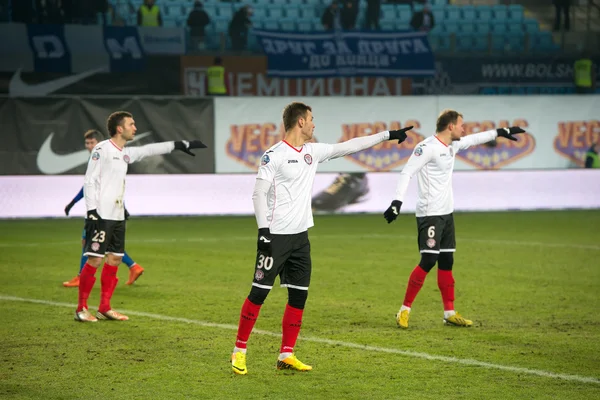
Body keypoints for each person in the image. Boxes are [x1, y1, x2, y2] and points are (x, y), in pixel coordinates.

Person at [230, 102, 413, 375]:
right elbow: (258, 194)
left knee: (298, 297)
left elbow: (349, 146)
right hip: (276, 237)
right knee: (259, 294)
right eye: (312, 119)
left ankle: (286, 355)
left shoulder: (312, 152)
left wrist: (387, 135)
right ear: (300, 122)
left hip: (300, 238)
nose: (315, 124)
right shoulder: (273, 155)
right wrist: (263, 232)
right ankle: (239, 351)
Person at [383, 109, 526, 329]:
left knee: (447, 261)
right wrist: (397, 202)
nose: (464, 128)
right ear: (450, 126)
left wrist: (501, 131)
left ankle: (449, 313)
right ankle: (404, 310)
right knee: (429, 260)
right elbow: (406, 172)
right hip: (430, 213)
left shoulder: (452, 145)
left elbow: (475, 138)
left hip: (447, 213)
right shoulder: (426, 148)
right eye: (461, 124)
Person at [75, 111, 207, 322]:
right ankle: (81, 309)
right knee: (94, 259)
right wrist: (91, 210)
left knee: (115, 258)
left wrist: (181, 144)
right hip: (100, 214)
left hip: (117, 215)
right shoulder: (102, 149)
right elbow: (89, 181)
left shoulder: (124, 153)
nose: (135, 128)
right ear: (120, 128)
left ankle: (104, 308)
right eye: (131, 124)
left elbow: (148, 150)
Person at [63, 129, 145, 288]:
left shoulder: (102, 156)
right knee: (103, 244)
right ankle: (134, 267)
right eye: (87, 143)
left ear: (99, 142)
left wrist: (73, 203)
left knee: (89, 241)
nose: (88, 146)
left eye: (91, 142)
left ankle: (81, 277)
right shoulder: (103, 155)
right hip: (109, 208)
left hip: (103, 209)